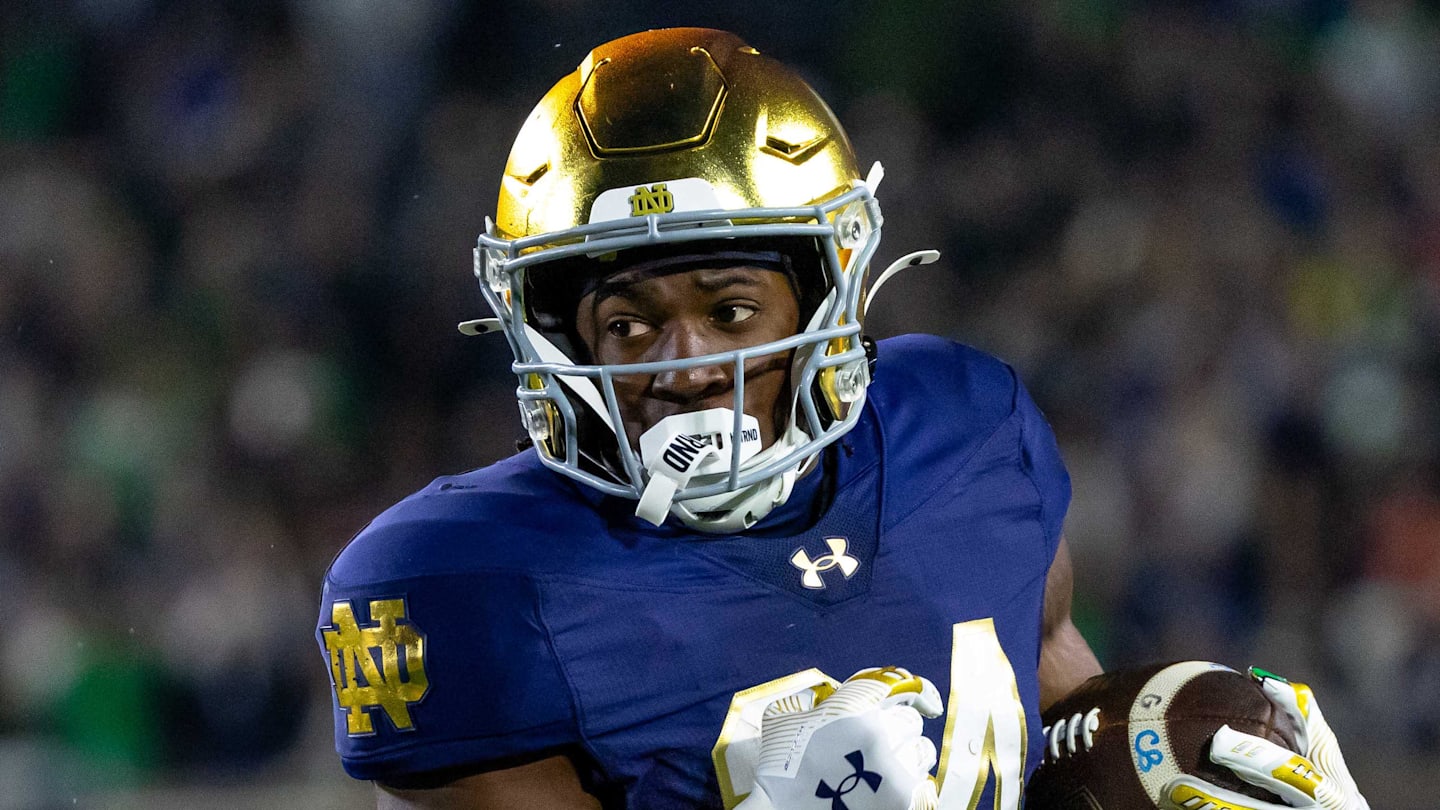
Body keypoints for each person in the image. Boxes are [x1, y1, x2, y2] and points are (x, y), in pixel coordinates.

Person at [316, 27, 1370, 810]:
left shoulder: (964, 433)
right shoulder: (470, 584)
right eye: (629, 326)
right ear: (557, 336)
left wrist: (1170, 752)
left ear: (824, 299)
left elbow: (1054, 723)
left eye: (730, 310)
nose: (686, 366)